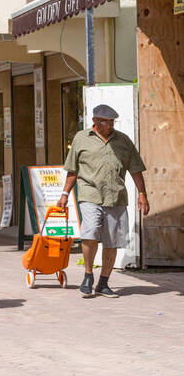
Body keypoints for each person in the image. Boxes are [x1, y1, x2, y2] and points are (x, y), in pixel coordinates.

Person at [58, 104, 149, 298]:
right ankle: (88, 275)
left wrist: (142, 194)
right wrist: (65, 194)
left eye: (112, 122)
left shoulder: (123, 141)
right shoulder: (81, 139)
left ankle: (103, 282)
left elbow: (135, 169)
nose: (110, 125)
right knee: (89, 232)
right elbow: (72, 170)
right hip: (89, 194)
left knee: (112, 241)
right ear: (95, 121)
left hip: (116, 197)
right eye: (106, 122)